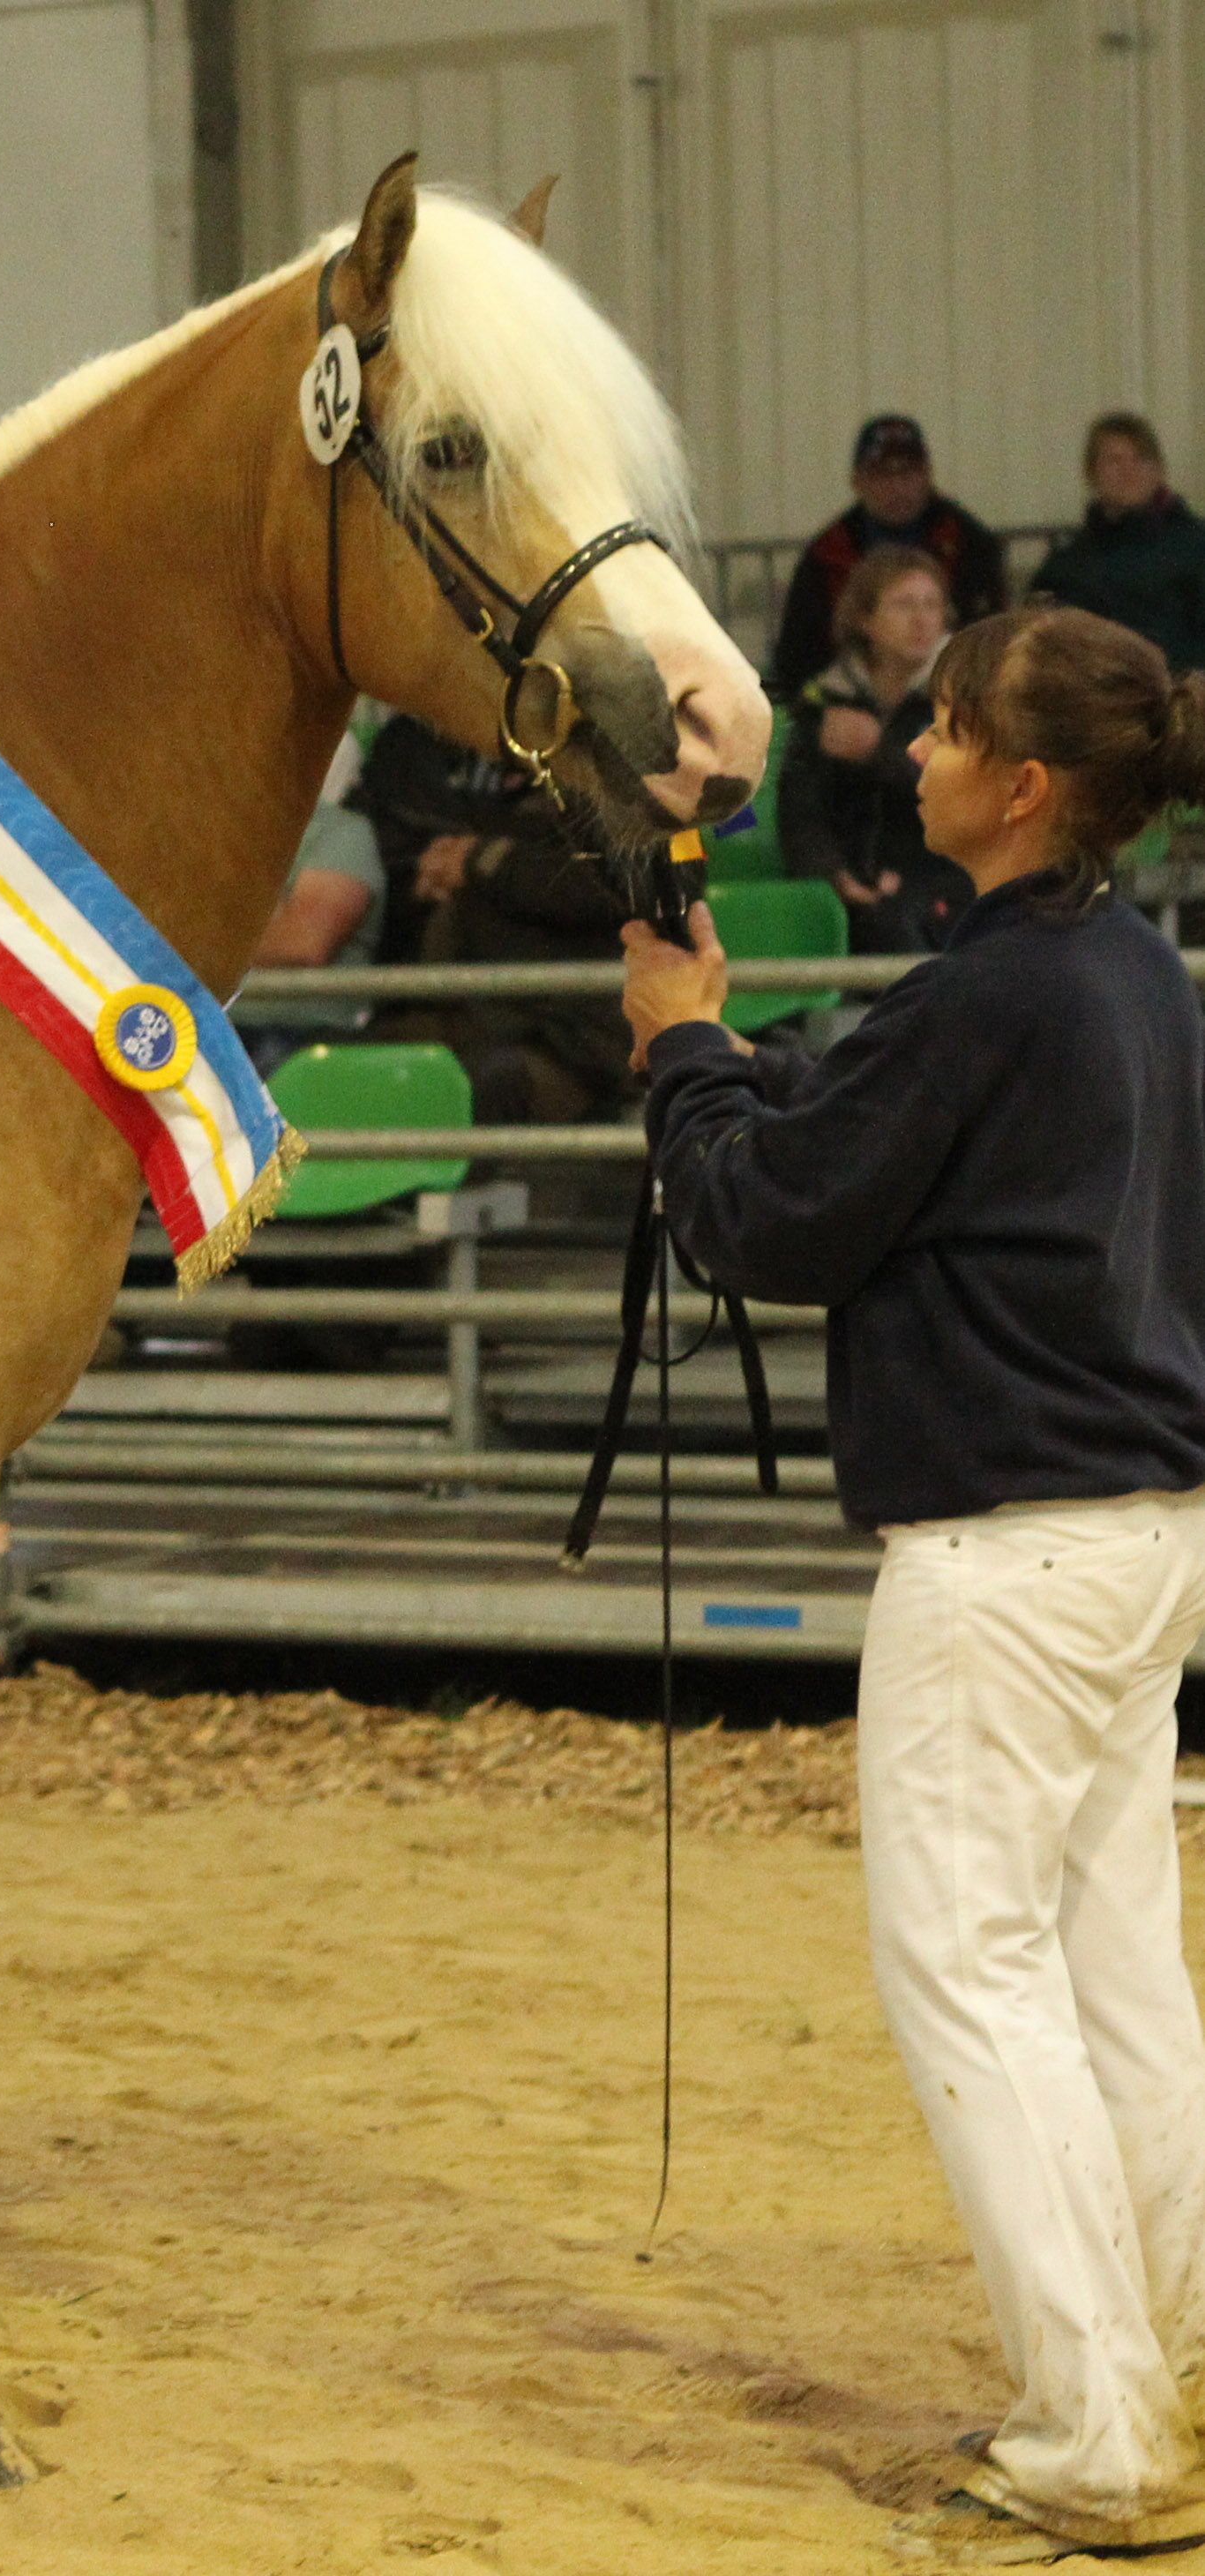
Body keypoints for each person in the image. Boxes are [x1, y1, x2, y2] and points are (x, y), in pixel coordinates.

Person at [619, 603, 1205, 2561]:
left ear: (1022, 786)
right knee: (1116, 1961)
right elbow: (890, 1111)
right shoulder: (1124, 966)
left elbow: (772, 1218)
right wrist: (739, 1044)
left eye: (948, 728)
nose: (917, 749)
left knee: (969, 1962)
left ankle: (1097, 2428)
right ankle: (1172, 2358)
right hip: (1138, 1534)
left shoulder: (988, 995)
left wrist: (684, 1066)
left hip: (1001, 1548)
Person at [348, 712, 631, 1122]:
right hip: (455, 1015)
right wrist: (441, 867)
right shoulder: (418, 752)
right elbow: (394, 833)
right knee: (334, 1069)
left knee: (478, 1084)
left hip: (566, 1041)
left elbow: (607, 884)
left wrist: (483, 859)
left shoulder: (600, 771)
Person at [779, 544, 969, 952]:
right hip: (850, 887)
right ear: (865, 620)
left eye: (931, 605)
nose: (921, 620)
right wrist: (834, 874)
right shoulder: (826, 700)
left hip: (945, 883)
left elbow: (965, 798)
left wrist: (878, 754)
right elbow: (799, 810)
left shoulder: (966, 699)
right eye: (903, 605)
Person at [768, 416, 1008, 700]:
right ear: (857, 481)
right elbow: (796, 661)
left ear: (928, 475)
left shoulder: (973, 546)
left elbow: (995, 644)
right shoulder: (825, 555)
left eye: (908, 473)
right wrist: (823, 718)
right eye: (882, 475)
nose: (897, 487)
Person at [231, 734, 383, 1075]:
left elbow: (304, 941)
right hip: (203, 1023)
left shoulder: (343, 833)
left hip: (297, 1035)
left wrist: (188, 930)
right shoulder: (216, 832)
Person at [1029, 413, 1205, 673]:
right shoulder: (1066, 566)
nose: (1128, 471)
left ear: (1158, 470)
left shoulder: (1196, 548)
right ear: (1092, 473)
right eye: (1114, 461)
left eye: (1140, 459)